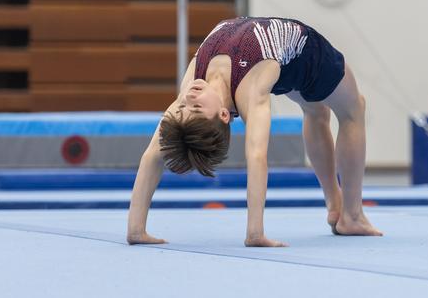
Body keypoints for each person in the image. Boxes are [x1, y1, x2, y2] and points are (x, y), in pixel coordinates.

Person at [127, 16, 382, 247]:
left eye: (181, 105)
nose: (189, 96)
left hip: (283, 58)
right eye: (195, 107)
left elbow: (152, 155)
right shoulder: (251, 90)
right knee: (353, 110)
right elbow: (257, 156)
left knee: (317, 112)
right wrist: (255, 233)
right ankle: (352, 215)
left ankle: (334, 204)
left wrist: (136, 230)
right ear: (224, 115)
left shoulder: (191, 85)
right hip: (306, 54)